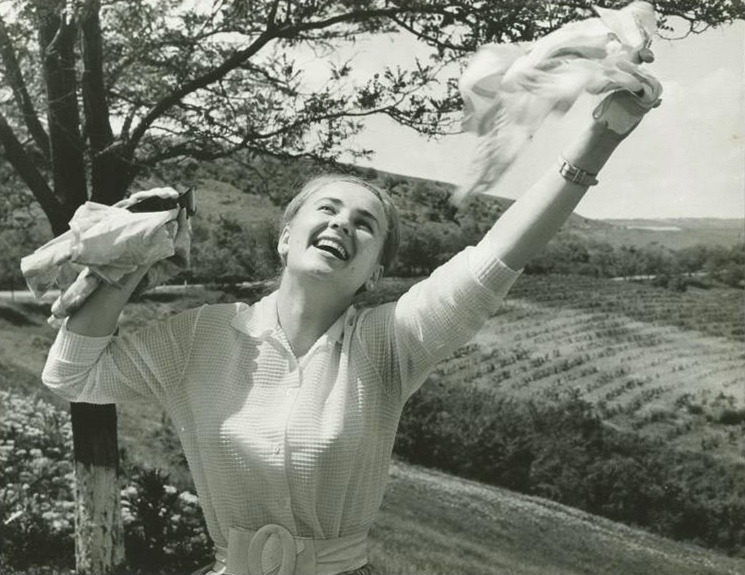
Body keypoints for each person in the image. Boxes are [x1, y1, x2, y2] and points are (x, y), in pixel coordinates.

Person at [41, 83, 659, 575]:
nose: (344, 225)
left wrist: (601, 136)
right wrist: (123, 263)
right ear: (286, 237)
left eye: (366, 225)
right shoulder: (196, 339)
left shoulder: (389, 346)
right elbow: (70, 374)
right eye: (329, 209)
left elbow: (494, 257)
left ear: (373, 273)